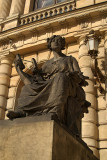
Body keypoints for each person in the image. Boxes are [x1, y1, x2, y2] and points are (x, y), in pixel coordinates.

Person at [7, 35, 90, 135]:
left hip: (68, 85)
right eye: (54, 40)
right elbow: (37, 81)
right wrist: (20, 70)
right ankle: (22, 111)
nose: (57, 42)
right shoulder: (47, 64)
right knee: (27, 87)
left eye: (59, 41)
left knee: (60, 77)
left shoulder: (70, 59)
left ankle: (55, 111)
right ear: (50, 44)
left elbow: (79, 77)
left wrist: (72, 75)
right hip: (50, 84)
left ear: (62, 45)